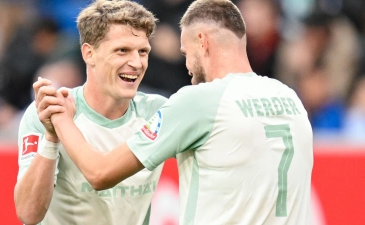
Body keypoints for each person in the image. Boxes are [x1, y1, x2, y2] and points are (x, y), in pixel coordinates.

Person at [36, 0, 313, 224]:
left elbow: (99, 173)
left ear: (203, 42)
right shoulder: (290, 99)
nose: (188, 69)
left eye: (185, 53)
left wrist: (61, 119)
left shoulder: (200, 101)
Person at [14, 1, 167, 224]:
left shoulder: (158, 112)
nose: (136, 62)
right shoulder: (50, 111)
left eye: (143, 51)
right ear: (89, 53)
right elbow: (28, 213)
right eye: (122, 50)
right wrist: (51, 137)